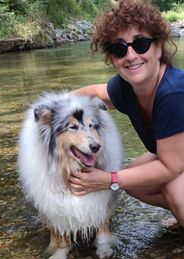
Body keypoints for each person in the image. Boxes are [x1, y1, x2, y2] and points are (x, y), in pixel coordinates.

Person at [68, 0, 184, 226]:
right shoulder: (125, 88)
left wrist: (107, 180)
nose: (130, 55)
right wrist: (52, 108)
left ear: (158, 48)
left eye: (141, 44)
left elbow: (171, 166)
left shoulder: (172, 93)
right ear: (112, 58)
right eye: (119, 49)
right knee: (133, 179)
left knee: (173, 187)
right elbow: (91, 94)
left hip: (177, 162)